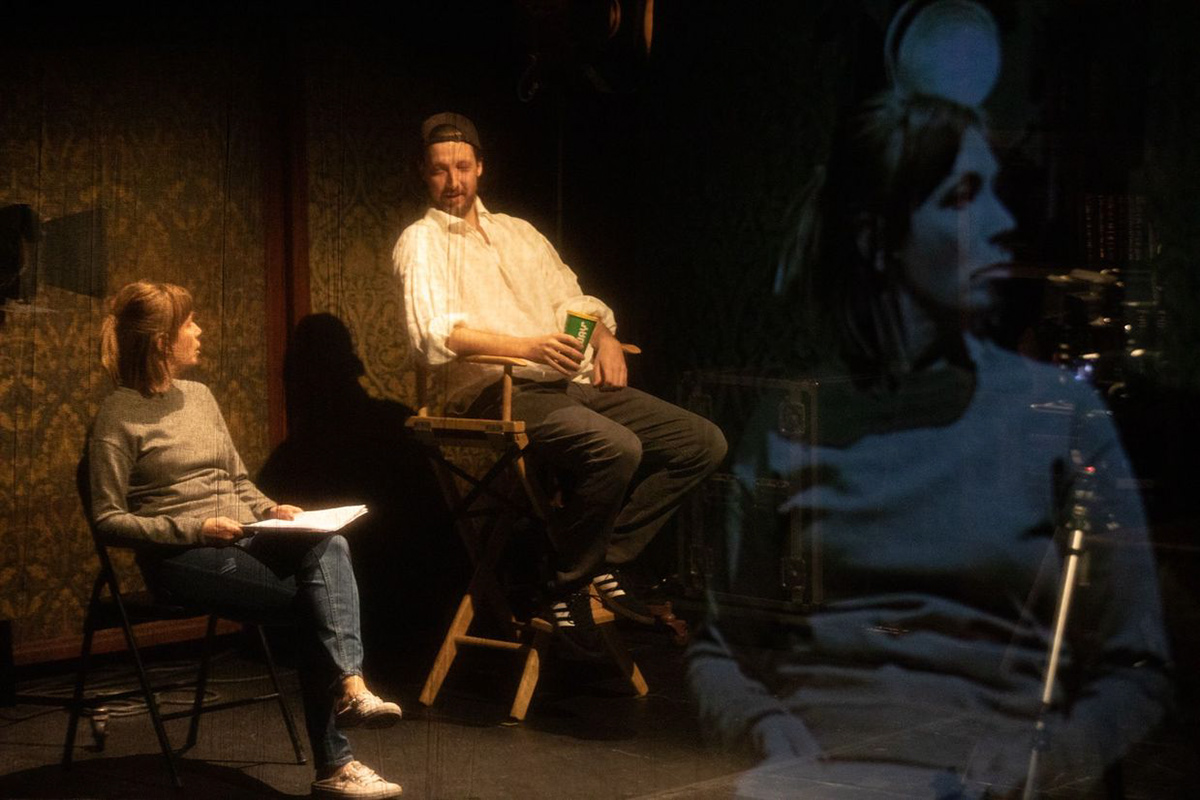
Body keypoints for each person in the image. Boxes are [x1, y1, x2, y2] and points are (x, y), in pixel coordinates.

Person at [685, 7, 1172, 797]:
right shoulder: (797, 417)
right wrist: (761, 727)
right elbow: (721, 649)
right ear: (881, 236)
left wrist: (1048, 757)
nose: (1004, 223)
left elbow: (1137, 666)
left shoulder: (1060, 417)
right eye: (965, 196)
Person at [393, 112, 726, 652]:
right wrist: (525, 347)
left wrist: (603, 338)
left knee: (701, 442)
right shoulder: (421, 242)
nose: (453, 181)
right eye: (439, 171)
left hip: (561, 383)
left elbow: (571, 303)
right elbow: (434, 334)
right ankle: (571, 581)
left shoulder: (519, 233)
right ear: (422, 174)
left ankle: (597, 563)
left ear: (481, 167)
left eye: (463, 167)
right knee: (616, 446)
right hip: (492, 393)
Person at [88, 281, 403, 800]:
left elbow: (234, 480)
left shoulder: (200, 397)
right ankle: (337, 763)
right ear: (163, 342)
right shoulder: (117, 416)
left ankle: (351, 685)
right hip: (182, 556)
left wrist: (269, 509)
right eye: (189, 324)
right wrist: (194, 529)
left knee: (332, 544)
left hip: (245, 538)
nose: (199, 331)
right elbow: (107, 519)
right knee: (316, 607)